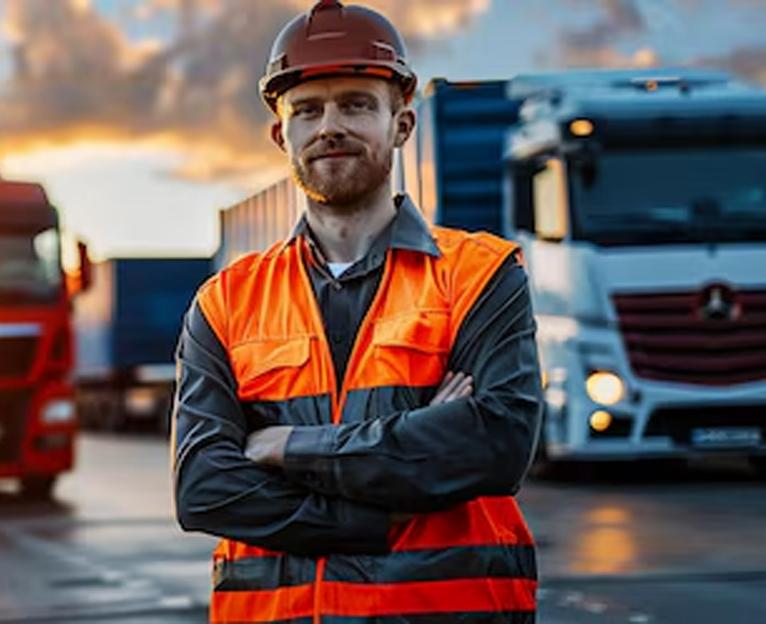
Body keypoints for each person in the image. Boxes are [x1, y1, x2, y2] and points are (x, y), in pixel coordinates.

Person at [169, 1, 544, 622]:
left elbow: (496, 446)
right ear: (279, 133)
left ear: (401, 124)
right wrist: (389, 503)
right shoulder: (226, 302)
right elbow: (204, 489)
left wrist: (284, 446)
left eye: (356, 104)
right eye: (307, 109)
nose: (330, 126)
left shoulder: (479, 275)